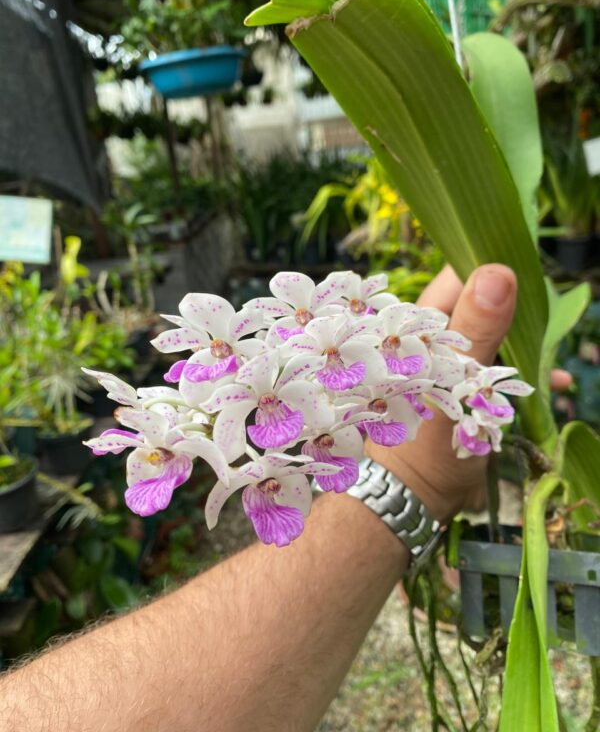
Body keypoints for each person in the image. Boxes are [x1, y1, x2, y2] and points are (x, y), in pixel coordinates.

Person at [0, 264, 570, 732]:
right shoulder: (230, 420)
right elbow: (241, 437)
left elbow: (356, 397)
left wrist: (434, 384)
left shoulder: (329, 375)